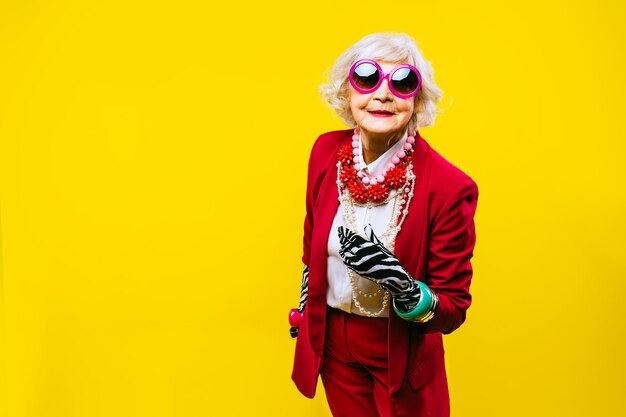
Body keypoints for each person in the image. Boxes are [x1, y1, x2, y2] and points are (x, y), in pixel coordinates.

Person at [288, 32, 479, 417]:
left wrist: (404, 287)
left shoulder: (450, 187)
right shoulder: (325, 153)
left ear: (418, 100)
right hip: (334, 346)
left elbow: (453, 306)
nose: (383, 93)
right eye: (367, 78)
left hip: (399, 352)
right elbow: (312, 245)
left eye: (403, 82)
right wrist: (305, 306)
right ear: (347, 92)